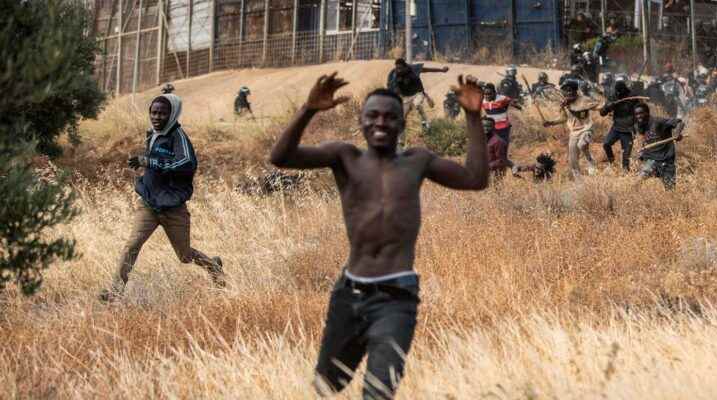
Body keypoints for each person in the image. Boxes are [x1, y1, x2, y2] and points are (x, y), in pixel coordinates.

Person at [268, 73, 489, 400]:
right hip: (349, 293)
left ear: (402, 123)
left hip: (396, 297)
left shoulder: (417, 162)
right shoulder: (345, 158)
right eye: (372, 116)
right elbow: (281, 158)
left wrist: (473, 117)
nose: (380, 123)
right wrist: (308, 109)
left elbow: (475, 178)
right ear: (361, 121)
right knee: (327, 386)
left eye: (389, 116)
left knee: (379, 390)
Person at [100, 94, 226, 302]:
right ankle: (115, 291)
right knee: (132, 245)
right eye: (153, 112)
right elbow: (154, 162)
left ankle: (213, 265)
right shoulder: (153, 134)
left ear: (172, 114)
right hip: (149, 205)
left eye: (162, 113)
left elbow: (186, 164)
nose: (156, 117)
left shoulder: (179, 138)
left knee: (184, 256)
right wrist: (145, 169)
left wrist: (150, 163)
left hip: (173, 208)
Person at [543, 80, 601, 178]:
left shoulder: (584, 100)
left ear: (576, 91)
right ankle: (578, 180)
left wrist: (605, 106)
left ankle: (591, 162)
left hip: (587, 129)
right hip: (574, 132)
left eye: (571, 91)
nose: (568, 93)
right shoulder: (564, 104)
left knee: (582, 144)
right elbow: (563, 118)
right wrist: (551, 122)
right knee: (573, 159)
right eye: (566, 91)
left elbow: (599, 106)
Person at [386, 58, 449, 140]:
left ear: (405, 67)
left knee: (417, 104)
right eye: (397, 68)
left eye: (401, 68)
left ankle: (425, 122)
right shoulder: (394, 75)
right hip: (406, 97)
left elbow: (426, 70)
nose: (399, 70)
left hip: (417, 93)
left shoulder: (412, 69)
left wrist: (441, 70)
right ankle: (400, 140)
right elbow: (392, 89)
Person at [635, 103, 684, 190]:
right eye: (636, 114)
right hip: (652, 161)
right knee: (637, 182)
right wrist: (643, 153)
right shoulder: (641, 125)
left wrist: (677, 133)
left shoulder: (658, 121)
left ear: (647, 113)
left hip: (666, 161)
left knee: (670, 191)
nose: (638, 116)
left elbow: (680, 122)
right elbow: (646, 141)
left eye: (641, 113)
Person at [600, 81, 639, 171]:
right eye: (617, 91)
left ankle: (625, 174)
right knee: (606, 144)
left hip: (628, 129)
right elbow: (602, 113)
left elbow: (640, 113)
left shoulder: (633, 96)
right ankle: (612, 162)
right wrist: (608, 107)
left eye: (620, 91)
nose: (618, 93)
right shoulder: (614, 96)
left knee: (626, 155)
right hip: (616, 127)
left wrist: (636, 127)